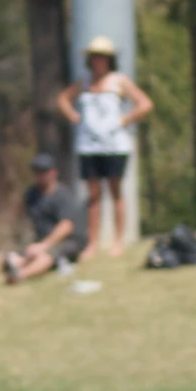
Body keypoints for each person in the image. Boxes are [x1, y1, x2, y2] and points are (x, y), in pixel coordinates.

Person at [54, 36, 153, 259]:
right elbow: (63, 99)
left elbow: (145, 104)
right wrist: (74, 117)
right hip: (89, 146)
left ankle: (118, 241)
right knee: (94, 194)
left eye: (102, 57)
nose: (98, 61)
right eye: (94, 57)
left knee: (115, 191)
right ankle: (93, 243)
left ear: (109, 59)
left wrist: (124, 120)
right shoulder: (85, 82)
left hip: (114, 145)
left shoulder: (119, 81)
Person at [3, 154, 88, 283]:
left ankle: (20, 275)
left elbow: (66, 226)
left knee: (46, 256)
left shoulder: (63, 196)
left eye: (43, 171)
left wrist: (43, 245)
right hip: (41, 240)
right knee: (7, 259)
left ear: (53, 172)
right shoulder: (31, 195)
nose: (39, 175)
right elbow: (21, 218)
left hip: (67, 241)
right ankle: (19, 263)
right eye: (36, 172)